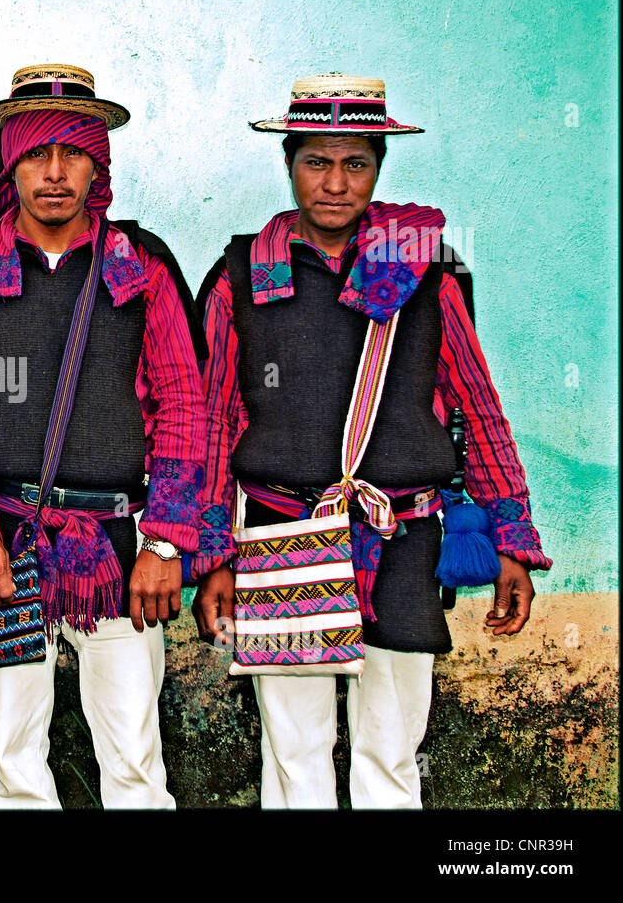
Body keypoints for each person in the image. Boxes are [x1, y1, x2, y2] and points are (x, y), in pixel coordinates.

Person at [190, 73, 552, 809]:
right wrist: (210, 556)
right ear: (288, 164)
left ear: (379, 169)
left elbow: (478, 411)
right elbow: (211, 425)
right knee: (296, 752)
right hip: (282, 530)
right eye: (316, 162)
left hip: (404, 533)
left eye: (355, 163)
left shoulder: (425, 271)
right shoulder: (241, 278)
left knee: (392, 750)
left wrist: (513, 537)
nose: (334, 183)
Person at [0, 64, 208, 808]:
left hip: (116, 549)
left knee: (136, 762)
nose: (55, 173)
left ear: (98, 163)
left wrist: (166, 544)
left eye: (73, 153)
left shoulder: (139, 266)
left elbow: (185, 400)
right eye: (36, 153)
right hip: (3, 547)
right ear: (9, 162)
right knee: (15, 760)